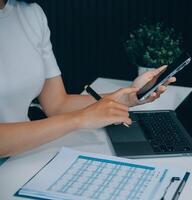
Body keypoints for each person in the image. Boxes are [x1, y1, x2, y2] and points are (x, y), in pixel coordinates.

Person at [0, 0, 175, 157]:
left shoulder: (30, 13)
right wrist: (80, 119)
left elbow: (57, 104)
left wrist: (126, 97)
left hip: (19, 158)